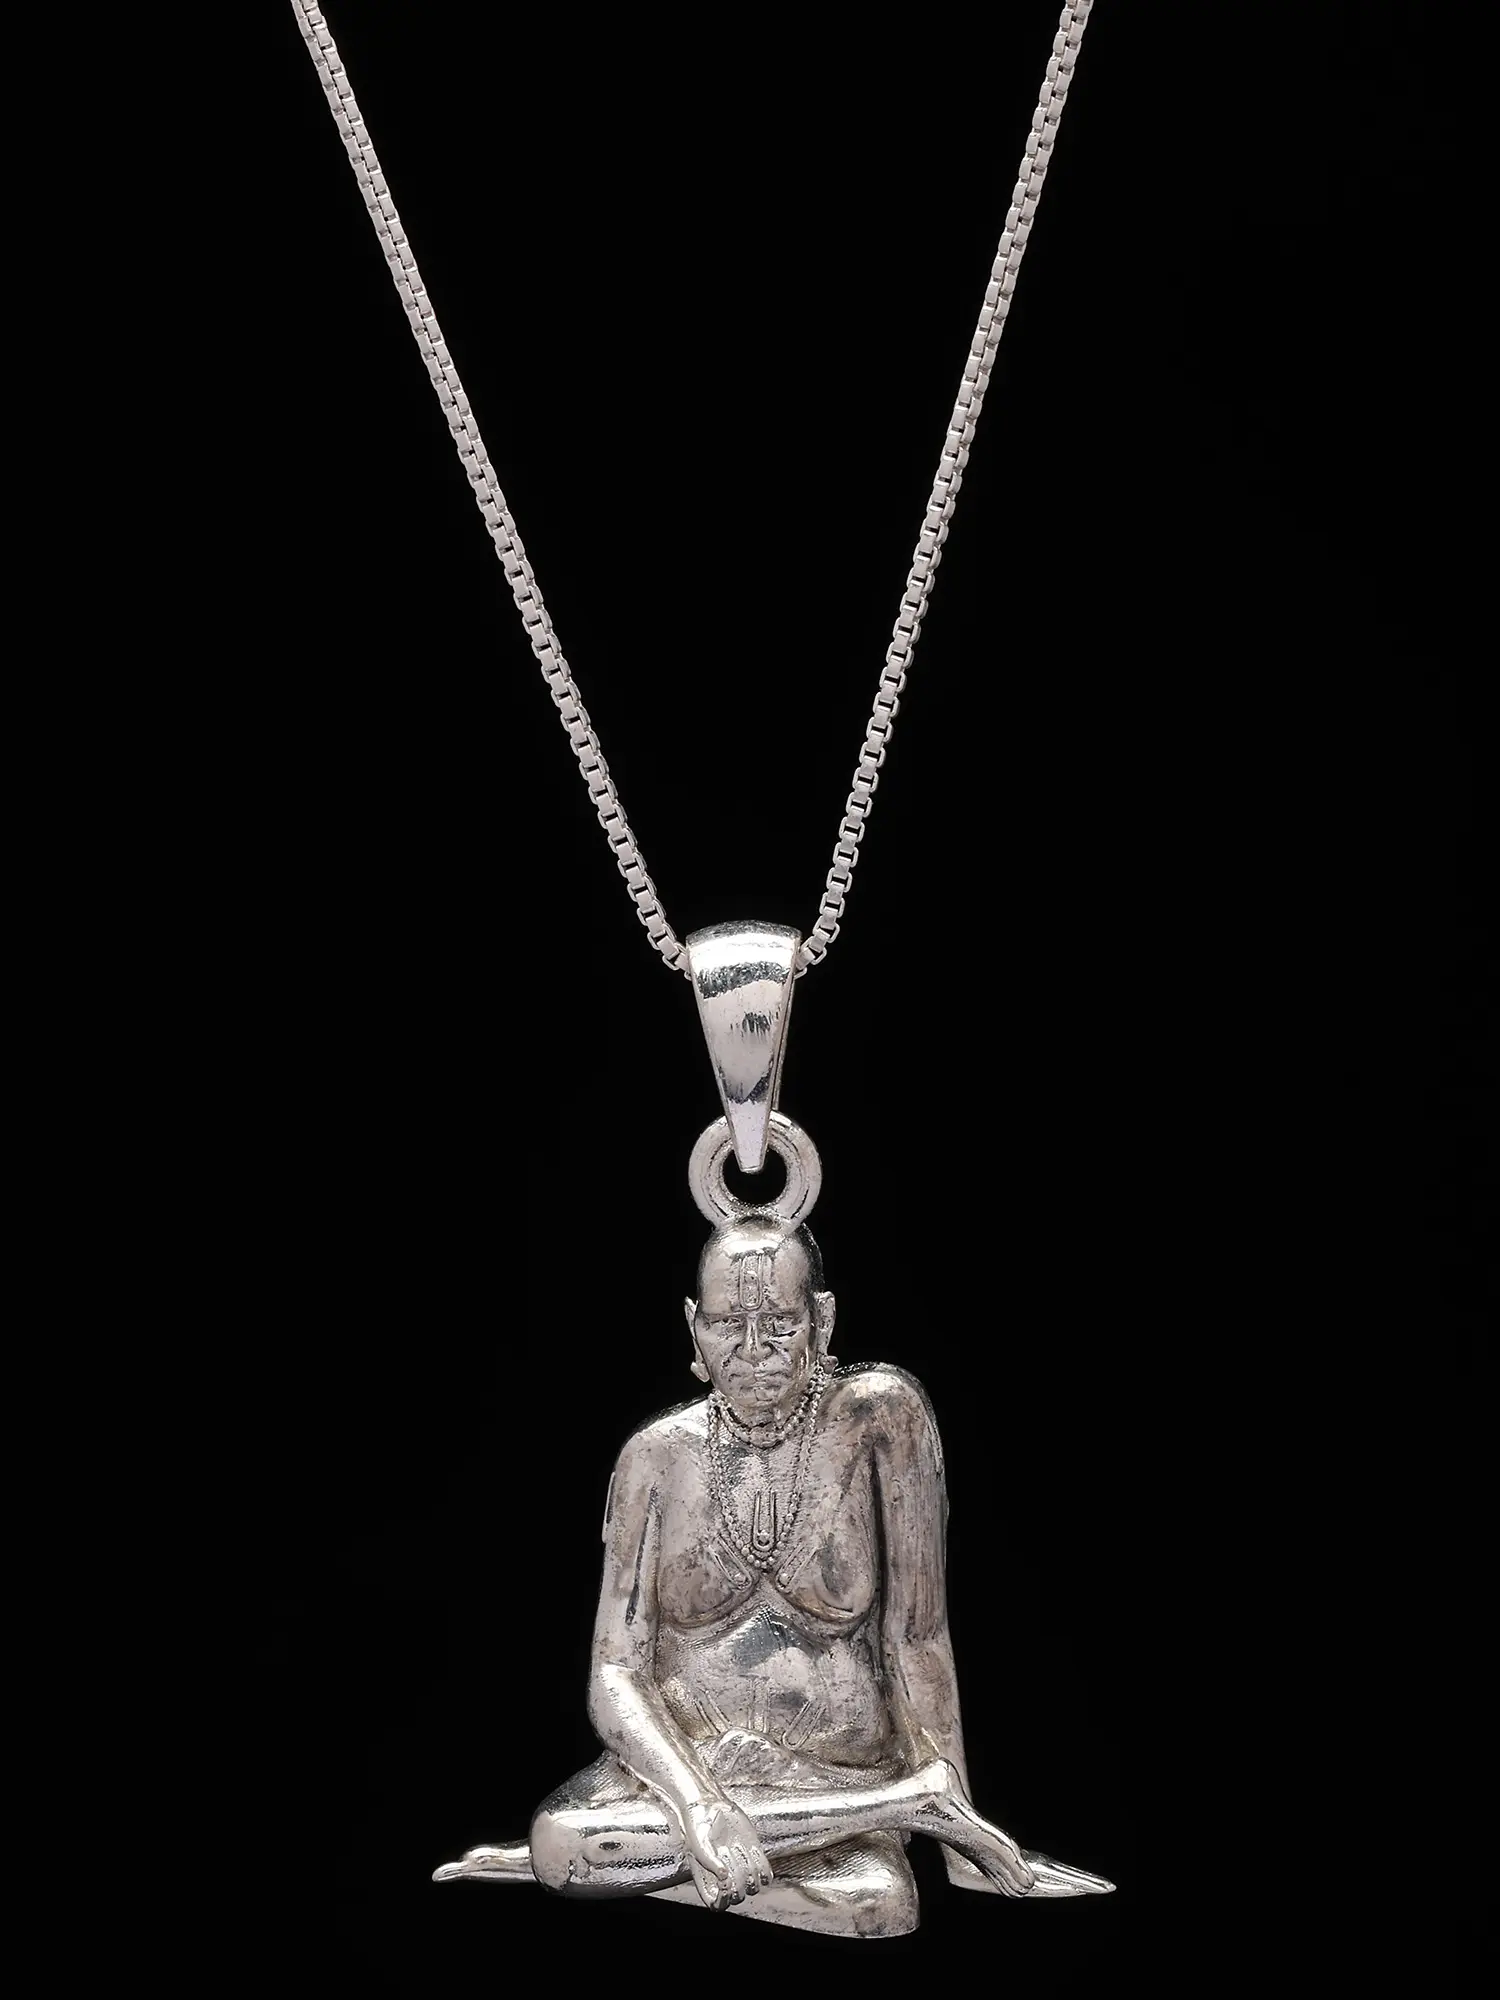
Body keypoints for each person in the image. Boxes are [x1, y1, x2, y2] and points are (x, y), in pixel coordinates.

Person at [435, 1216, 1112, 1936]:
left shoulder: (878, 1416)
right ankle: (910, 1803)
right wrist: (700, 1806)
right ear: (693, 1327)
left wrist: (963, 1853)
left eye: (779, 1324)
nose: (752, 1349)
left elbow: (916, 1636)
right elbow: (615, 1672)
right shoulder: (655, 1457)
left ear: (822, 1320)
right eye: (727, 1325)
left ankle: (625, 1866)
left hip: (834, 1769)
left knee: (877, 1906)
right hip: (677, 1777)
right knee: (563, 1840)